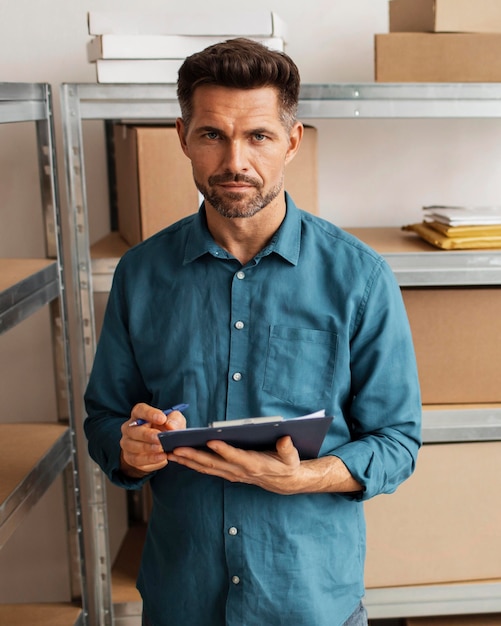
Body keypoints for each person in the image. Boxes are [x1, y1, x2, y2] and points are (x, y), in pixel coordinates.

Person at [84, 38, 422, 626]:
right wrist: (131, 448)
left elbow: (397, 441)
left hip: (310, 602)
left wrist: (301, 479)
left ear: (291, 141)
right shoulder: (140, 275)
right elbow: (104, 418)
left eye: (258, 136)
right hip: (182, 600)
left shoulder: (360, 278)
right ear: (183, 138)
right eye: (212, 134)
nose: (234, 161)